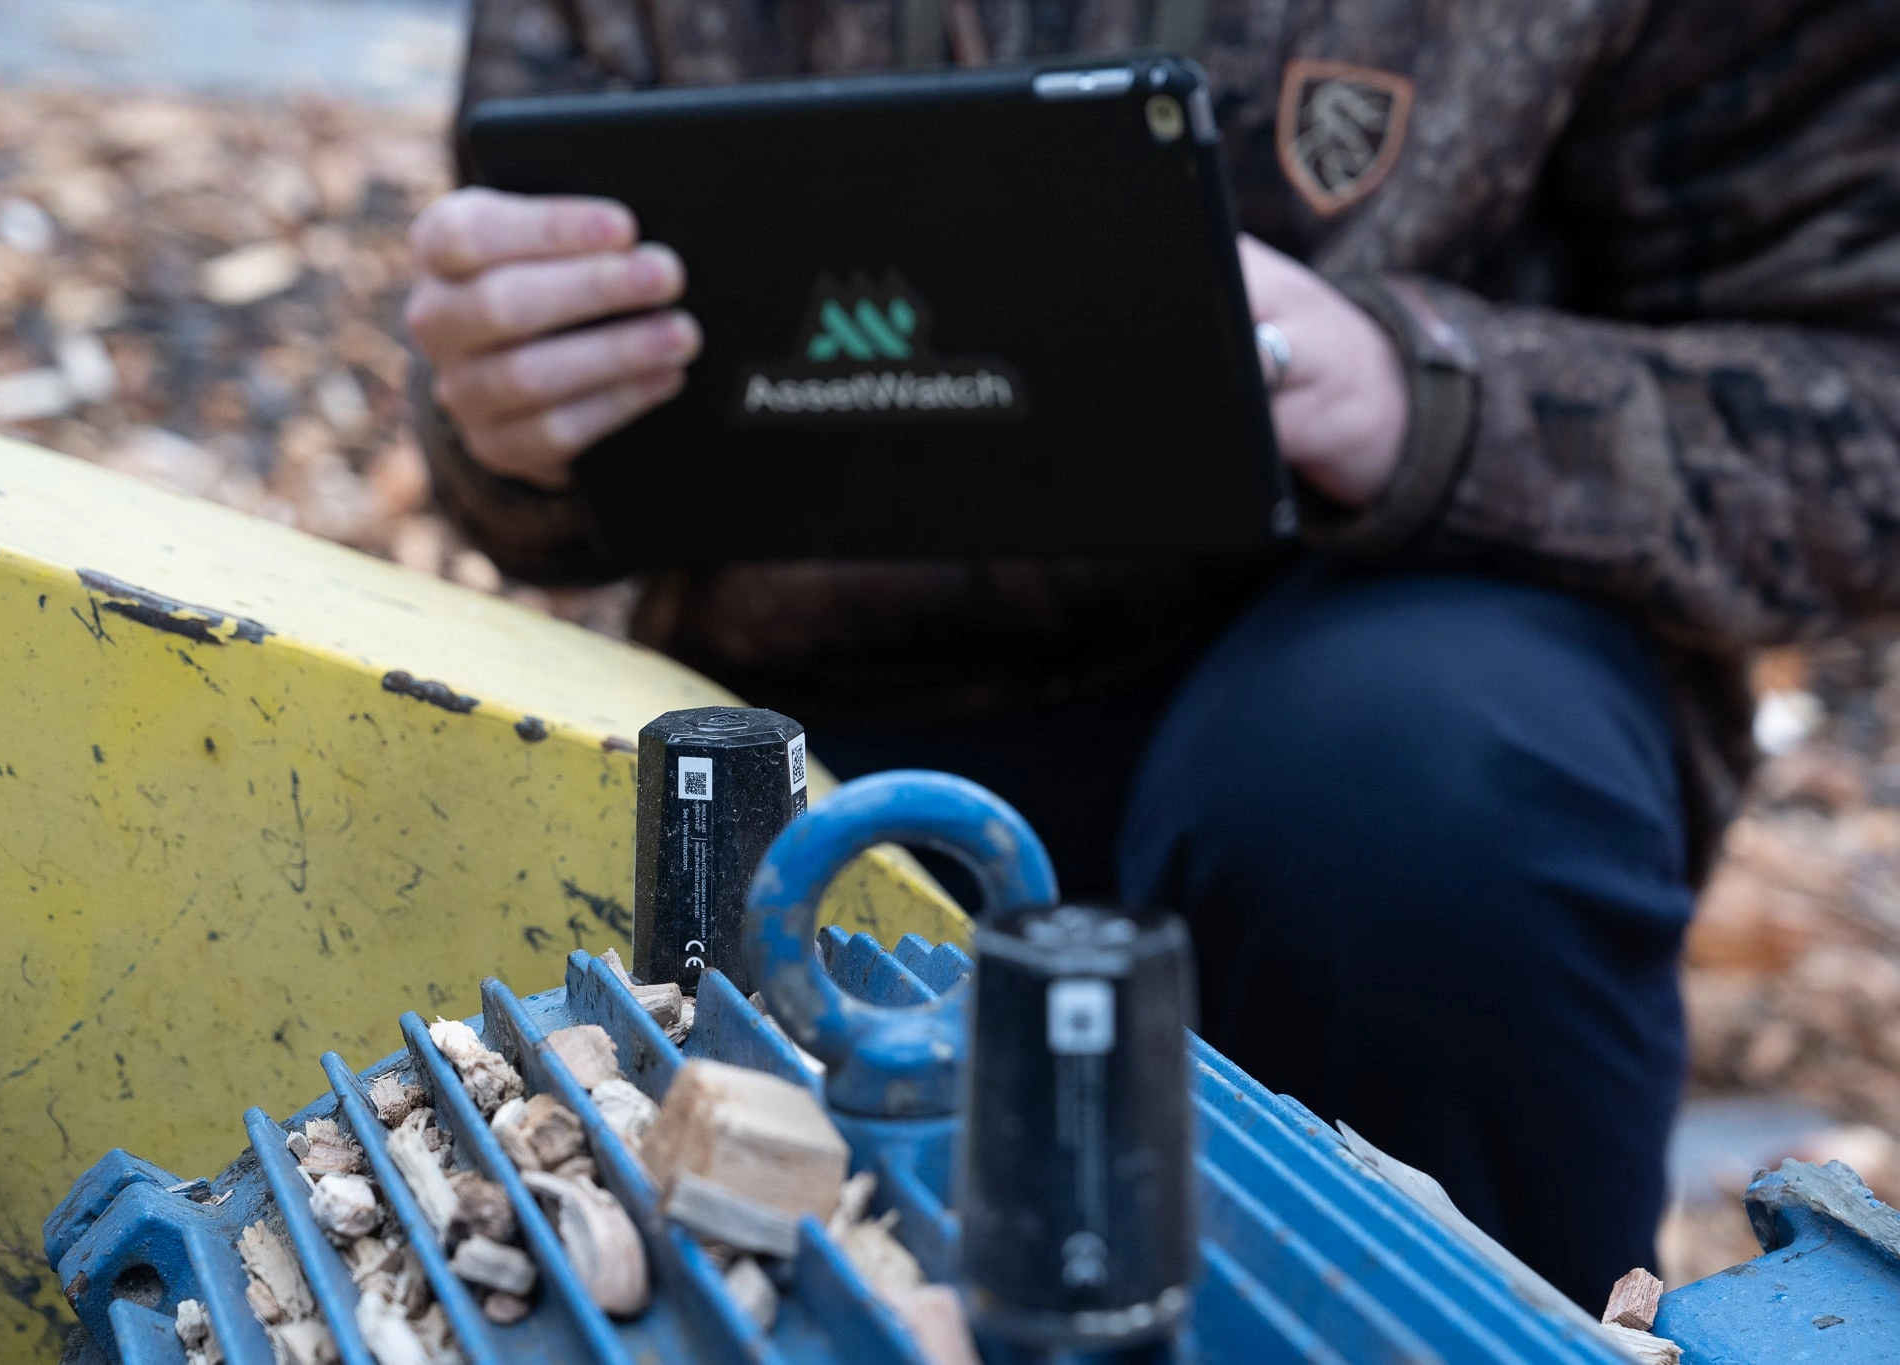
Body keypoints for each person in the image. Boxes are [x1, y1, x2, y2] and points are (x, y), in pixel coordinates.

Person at [404, 0, 1900, 1309]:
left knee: (1413, 802)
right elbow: (516, 433)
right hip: (824, 680)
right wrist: (513, 412)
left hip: (1405, 671)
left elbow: (1862, 412)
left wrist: (1424, 395)